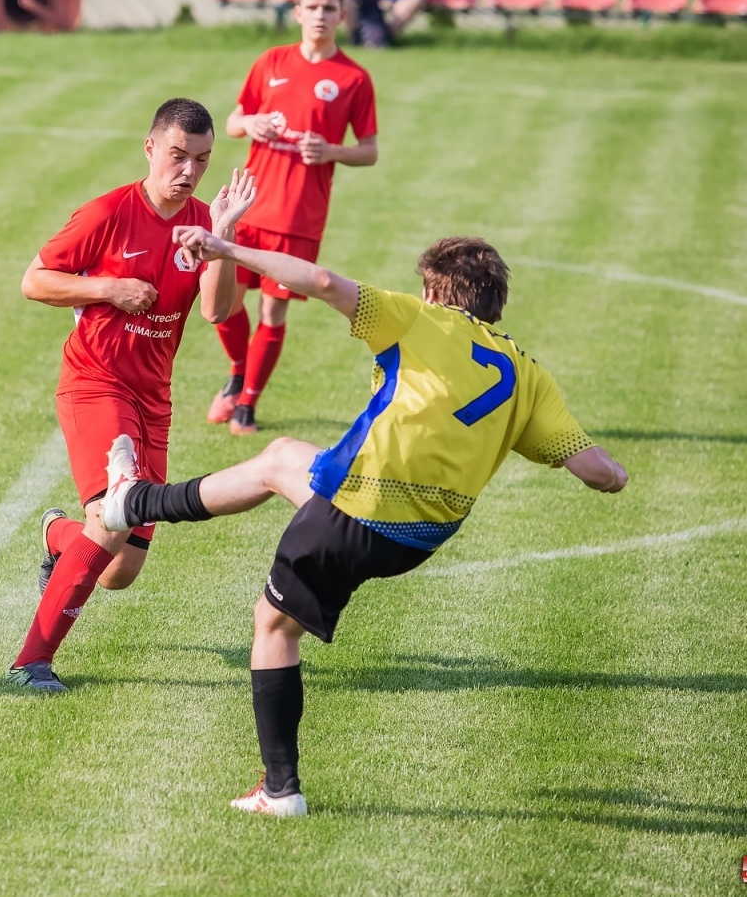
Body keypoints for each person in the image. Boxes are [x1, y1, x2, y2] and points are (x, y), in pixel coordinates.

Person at [103, 233, 629, 815]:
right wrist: (618, 475)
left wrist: (226, 250)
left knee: (273, 625)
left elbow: (322, 282)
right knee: (281, 458)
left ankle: (280, 790)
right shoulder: (528, 374)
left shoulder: (419, 318)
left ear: (434, 291)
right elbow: (597, 471)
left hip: (360, 513)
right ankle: (135, 502)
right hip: (418, 538)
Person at [6, 98, 256, 692]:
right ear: (150, 148)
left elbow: (218, 309)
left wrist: (223, 236)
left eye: (202, 159)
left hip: (153, 400)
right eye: (178, 155)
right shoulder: (108, 213)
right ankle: (30, 663)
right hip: (96, 383)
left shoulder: (203, 224)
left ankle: (58, 537)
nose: (189, 171)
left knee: (120, 569)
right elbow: (34, 280)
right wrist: (109, 289)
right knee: (111, 520)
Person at [209, 0, 379, 436]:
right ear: (298, 12)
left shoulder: (353, 78)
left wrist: (331, 151)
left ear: (342, 15)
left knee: (273, 310)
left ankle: (247, 403)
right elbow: (234, 121)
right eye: (312, 7)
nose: (320, 15)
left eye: (329, 8)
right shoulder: (271, 62)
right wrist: (252, 123)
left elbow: (369, 150)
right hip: (248, 205)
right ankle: (238, 372)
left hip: (299, 216)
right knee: (226, 301)